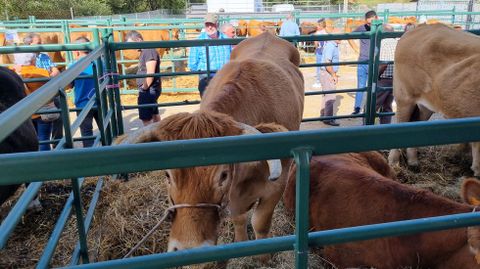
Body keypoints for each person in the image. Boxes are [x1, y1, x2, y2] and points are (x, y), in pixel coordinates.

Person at [23, 32, 63, 145]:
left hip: (50, 92)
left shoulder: (44, 55)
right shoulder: (25, 58)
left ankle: (58, 143)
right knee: (39, 129)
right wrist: (48, 75)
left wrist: (48, 75)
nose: (41, 45)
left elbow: (56, 71)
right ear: (29, 44)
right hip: (35, 96)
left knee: (59, 117)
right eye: (38, 43)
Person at [13, 53, 54, 151]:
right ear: (33, 60)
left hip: (25, 113)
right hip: (43, 111)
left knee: (30, 140)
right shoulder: (42, 72)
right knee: (44, 139)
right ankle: (45, 161)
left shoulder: (13, 73)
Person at [188, 13, 232, 98]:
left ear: (217, 24)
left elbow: (232, 57)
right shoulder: (198, 41)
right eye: (207, 24)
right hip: (207, 78)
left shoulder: (226, 40)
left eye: (212, 24)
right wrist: (203, 74)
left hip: (225, 78)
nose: (209, 27)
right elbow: (193, 64)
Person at [126, 30, 162, 126]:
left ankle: (150, 139)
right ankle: (160, 138)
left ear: (138, 39)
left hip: (148, 90)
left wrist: (144, 88)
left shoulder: (148, 51)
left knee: (146, 119)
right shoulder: (145, 51)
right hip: (150, 89)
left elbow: (150, 72)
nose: (131, 48)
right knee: (154, 114)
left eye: (131, 44)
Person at [69, 37, 99, 147]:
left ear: (76, 51)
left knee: (86, 132)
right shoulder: (100, 63)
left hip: (83, 104)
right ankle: (109, 150)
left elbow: (69, 85)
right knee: (105, 128)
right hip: (99, 102)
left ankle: (90, 157)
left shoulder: (73, 66)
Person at [349, 10, 378, 115]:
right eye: (368, 23)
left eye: (371, 23)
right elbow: (350, 36)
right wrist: (356, 49)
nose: (369, 25)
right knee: (361, 85)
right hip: (363, 60)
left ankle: (372, 108)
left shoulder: (380, 29)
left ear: (376, 18)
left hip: (375, 62)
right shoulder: (362, 28)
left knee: (374, 86)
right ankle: (357, 108)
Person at [376, 25, 397, 125]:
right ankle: (385, 128)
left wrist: (376, 76)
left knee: (372, 106)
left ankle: (366, 128)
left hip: (383, 79)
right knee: (387, 106)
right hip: (396, 79)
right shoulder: (398, 42)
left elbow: (384, 64)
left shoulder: (383, 43)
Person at [319, 30, 341, 127]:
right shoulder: (331, 46)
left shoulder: (331, 45)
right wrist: (333, 75)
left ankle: (324, 115)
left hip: (326, 73)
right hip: (328, 73)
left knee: (326, 95)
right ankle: (328, 118)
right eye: (340, 36)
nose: (342, 38)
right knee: (330, 96)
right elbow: (327, 63)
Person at [312, 18, 328, 88]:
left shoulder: (317, 33)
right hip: (325, 52)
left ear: (320, 26)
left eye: (318, 25)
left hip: (319, 51)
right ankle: (325, 81)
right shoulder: (326, 33)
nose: (317, 27)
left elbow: (316, 44)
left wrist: (316, 48)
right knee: (325, 66)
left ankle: (318, 81)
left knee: (319, 67)